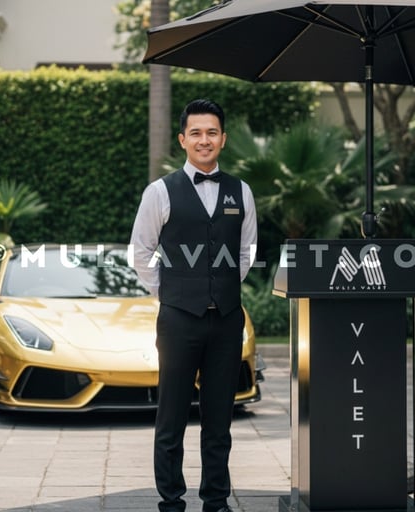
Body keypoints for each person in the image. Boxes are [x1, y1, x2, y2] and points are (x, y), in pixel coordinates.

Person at [130, 99, 258, 512]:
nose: (205, 140)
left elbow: (246, 252)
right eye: (197, 133)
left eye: (213, 132)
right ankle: (171, 500)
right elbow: (142, 252)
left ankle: (216, 500)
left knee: (219, 419)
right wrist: (172, 292)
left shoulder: (242, 191)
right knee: (171, 418)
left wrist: (218, 288)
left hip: (225, 321)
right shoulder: (160, 191)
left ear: (223, 139)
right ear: (183, 139)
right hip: (178, 320)